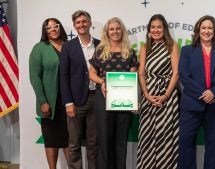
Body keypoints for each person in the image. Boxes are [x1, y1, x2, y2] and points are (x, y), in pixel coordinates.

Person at [178, 15, 215, 169]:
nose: (206, 31)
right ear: (198, 30)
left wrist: (214, 92)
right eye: (203, 28)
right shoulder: (187, 50)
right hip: (191, 105)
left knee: (214, 146)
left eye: (210, 28)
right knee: (185, 142)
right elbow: (184, 75)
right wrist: (204, 93)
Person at [89, 17, 138, 169]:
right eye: (112, 29)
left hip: (123, 99)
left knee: (121, 140)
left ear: (122, 30)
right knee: (104, 139)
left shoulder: (129, 52)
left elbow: (132, 77)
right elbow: (91, 74)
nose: (115, 31)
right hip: (103, 97)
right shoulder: (100, 50)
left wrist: (133, 99)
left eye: (117, 28)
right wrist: (102, 82)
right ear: (107, 32)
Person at [137, 14, 180, 169]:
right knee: (147, 135)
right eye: (153, 27)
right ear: (149, 30)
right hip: (148, 95)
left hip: (167, 96)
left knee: (166, 135)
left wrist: (166, 95)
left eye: (159, 27)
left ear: (164, 29)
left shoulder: (172, 46)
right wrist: (147, 95)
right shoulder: (144, 47)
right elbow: (141, 73)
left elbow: (175, 73)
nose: (156, 30)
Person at [60, 10, 100, 169]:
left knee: (93, 142)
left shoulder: (100, 44)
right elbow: (63, 76)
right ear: (74, 26)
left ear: (90, 23)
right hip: (76, 101)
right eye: (78, 22)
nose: (82, 24)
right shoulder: (68, 47)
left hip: (97, 98)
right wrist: (68, 102)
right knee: (74, 143)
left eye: (84, 21)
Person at [29, 18, 69, 169]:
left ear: (60, 28)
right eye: (49, 27)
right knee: (51, 139)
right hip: (50, 103)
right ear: (45, 31)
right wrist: (42, 101)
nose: (53, 29)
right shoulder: (39, 48)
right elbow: (35, 77)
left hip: (69, 101)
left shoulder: (69, 46)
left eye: (55, 26)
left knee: (69, 139)